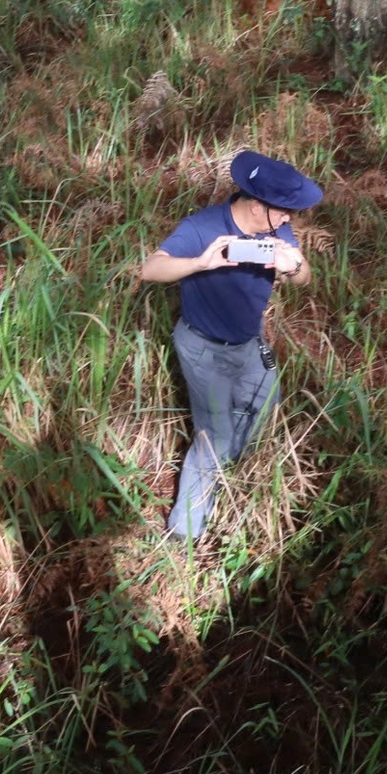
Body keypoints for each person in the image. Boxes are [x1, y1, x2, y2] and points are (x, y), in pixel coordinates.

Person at [138, 150, 321, 541]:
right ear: (257, 206)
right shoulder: (203, 227)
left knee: (267, 401)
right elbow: (151, 268)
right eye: (284, 211)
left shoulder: (276, 230)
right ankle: (183, 535)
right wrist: (200, 263)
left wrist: (292, 267)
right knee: (214, 436)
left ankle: (224, 471)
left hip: (249, 342)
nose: (290, 219)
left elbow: (303, 277)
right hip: (204, 348)